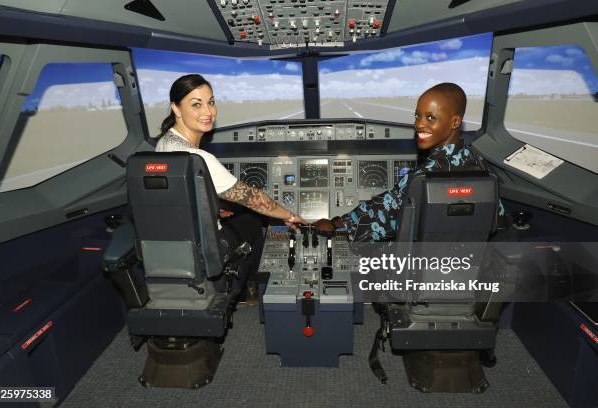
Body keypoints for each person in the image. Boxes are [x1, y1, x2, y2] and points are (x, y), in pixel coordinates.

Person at [156, 74, 307, 296]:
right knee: (254, 220)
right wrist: (289, 216)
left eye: (211, 102)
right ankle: (243, 287)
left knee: (239, 215)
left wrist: (213, 209)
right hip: (206, 245)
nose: (208, 112)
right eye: (196, 105)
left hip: (177, 241)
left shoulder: (163, 143)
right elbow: (252, 198)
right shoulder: (197, 157)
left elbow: (181, 198)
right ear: (176, 109)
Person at [313, 82, 504, 241]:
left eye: (431, 117)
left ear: (455, 122)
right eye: (417, 116)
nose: (419, 124)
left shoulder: (422, 179)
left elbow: (377, 219)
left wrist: (336, 224)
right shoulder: (481, 167)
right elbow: (497, 217)